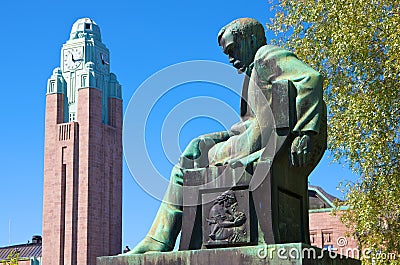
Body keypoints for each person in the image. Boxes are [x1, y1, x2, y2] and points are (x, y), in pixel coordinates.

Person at [128, 18, 326, 254]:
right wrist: (211, 138)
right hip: (249, 137)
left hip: (255, 142)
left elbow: (310, 78)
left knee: (185, 168)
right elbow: (246, 122)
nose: (230, 58)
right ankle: (159, 238)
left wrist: (306, 131)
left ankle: (159, 239)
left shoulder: (266, 56)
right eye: (226, 53)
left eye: (232, 50)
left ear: (249, 40)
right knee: (197, 146)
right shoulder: (252, 72)